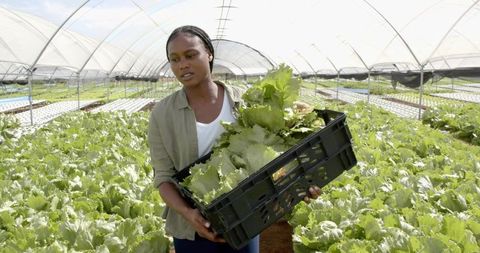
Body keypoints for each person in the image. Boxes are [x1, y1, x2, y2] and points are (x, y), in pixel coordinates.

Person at [148, 25, 321, 253]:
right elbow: (163, 178)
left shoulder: (243, 101)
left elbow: (273, 151)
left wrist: (298, 182)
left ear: (209, 53)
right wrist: (190, 215)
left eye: (191, 55)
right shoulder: (162, 114)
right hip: (191, 231)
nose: (183, 65)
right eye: (175, 59)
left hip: (245, 220)